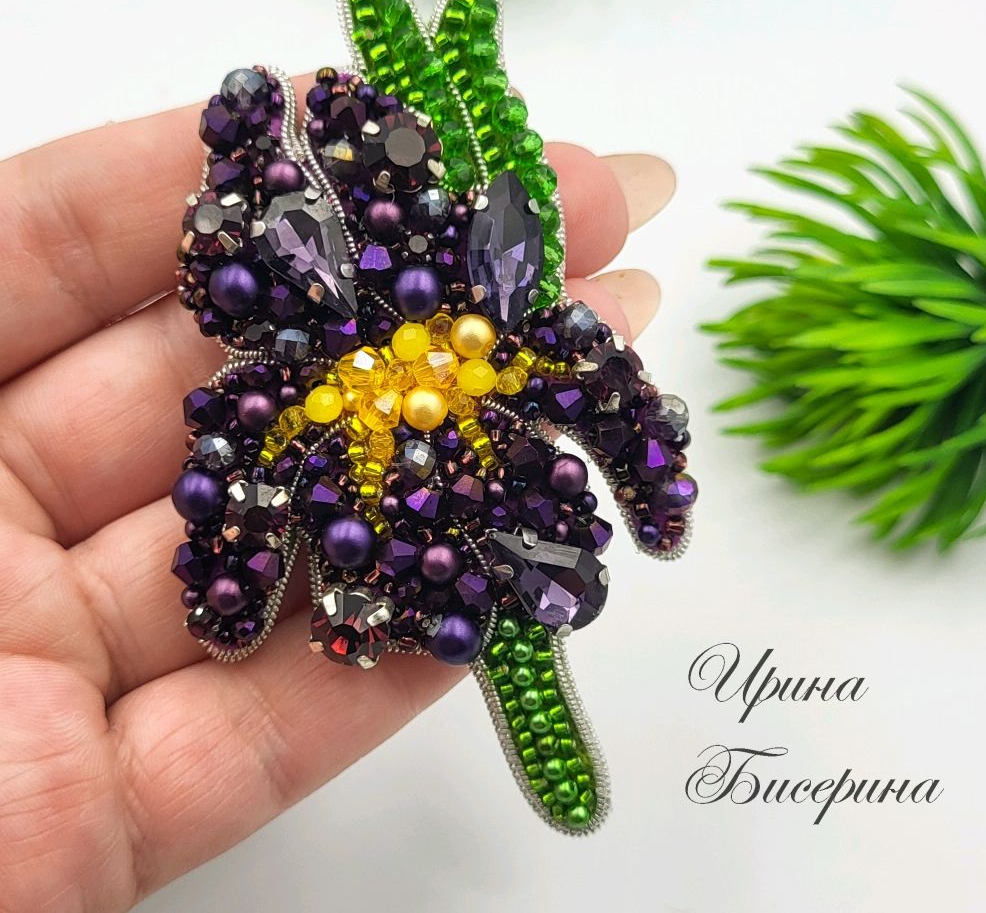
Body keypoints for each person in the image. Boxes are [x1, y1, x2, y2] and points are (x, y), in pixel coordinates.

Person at [0, 91, 674, 912]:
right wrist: (235, 585)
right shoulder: (283, 406)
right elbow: (234, 555)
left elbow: (608, 405)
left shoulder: (506, 322)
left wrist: (649, 486)